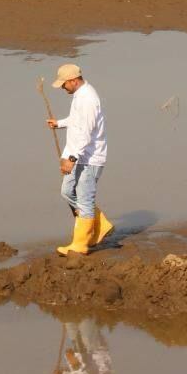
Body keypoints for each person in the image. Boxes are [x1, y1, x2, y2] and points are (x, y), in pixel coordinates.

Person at [45, 63, 114, 255]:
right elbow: (77, 121)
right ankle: (100, 223)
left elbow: (86, 132)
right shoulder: (79, 96)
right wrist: (60, 123)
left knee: (84, 200)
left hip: (89, 158)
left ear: (74, 81)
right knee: (67, 192)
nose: (62, 88)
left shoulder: (88, 99)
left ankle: (81, 244)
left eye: (63, 84)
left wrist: (71, 158)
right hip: (77, 155)